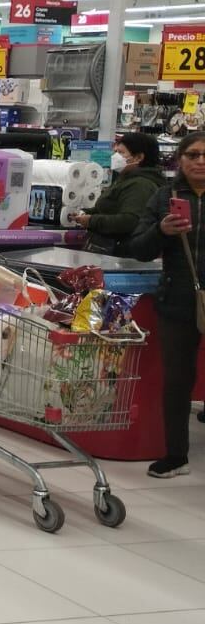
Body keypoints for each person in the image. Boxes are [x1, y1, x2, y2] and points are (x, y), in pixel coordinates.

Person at [124, 130, 205, 479]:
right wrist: (162, 231)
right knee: (177, 379)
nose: (200, 161)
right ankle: (176, 454)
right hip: (178, 299)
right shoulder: (164, 197)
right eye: (193, 155)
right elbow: (138, 248)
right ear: (180, 160)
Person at [71, 132, 164, 255]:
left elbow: (129, 221)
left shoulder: (141, 185)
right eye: (116, 151)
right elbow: (110, 208)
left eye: (121, 152)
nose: (115, 156)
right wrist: (85, 213)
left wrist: (92, 220)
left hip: (122, 254)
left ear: (139, 157)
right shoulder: (126, 179)